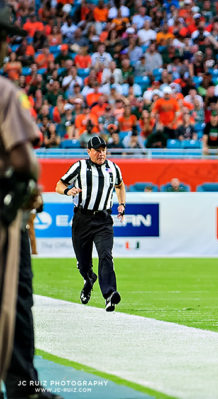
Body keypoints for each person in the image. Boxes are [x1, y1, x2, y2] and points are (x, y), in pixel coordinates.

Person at [0, 5, 60, 396]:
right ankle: (23, 386)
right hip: (3, 214)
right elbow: (24, 160)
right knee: (14, 300)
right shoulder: (5, 91)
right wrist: (33, 182)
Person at [55, 136, 126, 312]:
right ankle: (89, 280)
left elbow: (120, 185)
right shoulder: (80, 166)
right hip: (83, 219)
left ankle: (110, 294)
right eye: (97, 150)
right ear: (89, 151)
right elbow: (59, 184)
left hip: (103, 219)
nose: (101, 153)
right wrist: (67, 190)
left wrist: (122, 204)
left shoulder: (113, 168)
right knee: (84, 263)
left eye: (103, 150)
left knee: (106, 255)